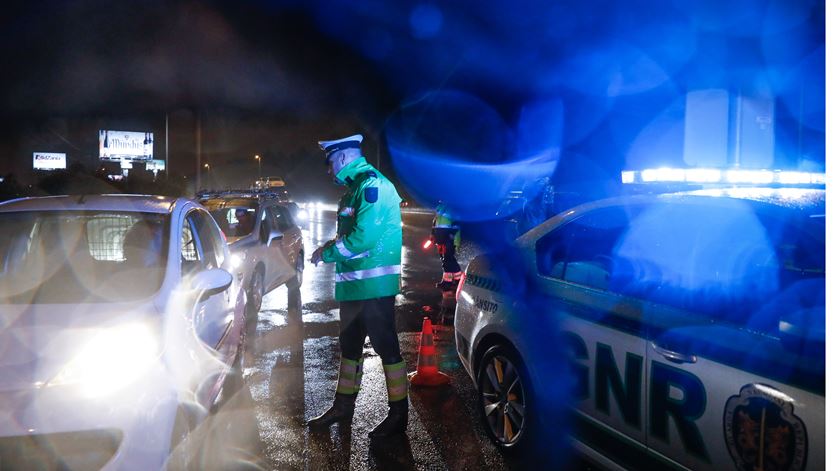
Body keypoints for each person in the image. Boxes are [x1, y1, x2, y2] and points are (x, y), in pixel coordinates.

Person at [307, 133, 408, 438]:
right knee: (349, 348)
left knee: (387, 349)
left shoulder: (372, 187)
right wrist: (330, 245)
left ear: (342, 158)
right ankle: (342, 407)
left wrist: (325, 253)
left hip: (374, 289)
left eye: (329, 163)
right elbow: (346, 235)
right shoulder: (353, 191)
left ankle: (398, 415)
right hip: (354, 289)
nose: (328, 170)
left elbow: (362, 239)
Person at [432, 201, 462, 291]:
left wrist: (451, 237)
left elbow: (457, 224)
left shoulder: (453, 207)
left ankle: (457, 280)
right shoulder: (440, 207)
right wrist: (433, 234)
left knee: (449, 258)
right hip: (441, 238)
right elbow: (435, 222)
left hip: (449, 239)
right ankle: (448, 281)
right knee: (445, 259)